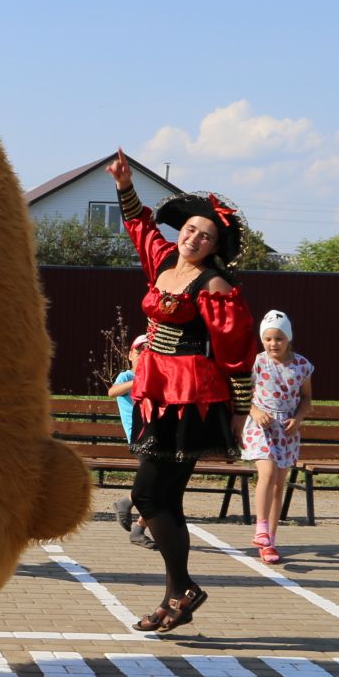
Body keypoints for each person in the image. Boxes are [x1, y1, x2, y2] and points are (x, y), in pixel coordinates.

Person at [106, 150, 256, 633]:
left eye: (205, 235)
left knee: (149, 496)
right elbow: (139, 229)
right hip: (156, 390)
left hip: (190, 399)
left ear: (215, 245)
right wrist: (125, 186)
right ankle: (178, 593)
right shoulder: (164, 260)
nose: (193, 238)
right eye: (190, 229)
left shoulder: (214, 285)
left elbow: (237, 352)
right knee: (163, 500)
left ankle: (182, 587)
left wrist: (240, 412)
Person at [241, 310, 315, 564]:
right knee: (267, 474)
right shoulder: (257, 361)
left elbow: (306, 398)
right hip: (261, 426)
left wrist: (299, 417)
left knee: (277, 485)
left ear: (289, 338)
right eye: (268, 338)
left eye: (279, 338)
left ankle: (270, 541)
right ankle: (261, 527)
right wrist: (255, 410)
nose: (274, 344)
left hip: (287, 430)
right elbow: (241, 393)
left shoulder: (302, 365)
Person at [107, 335, 157, 550]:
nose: (142, 356)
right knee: (156, 484)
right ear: (129, 354)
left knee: (159, 486)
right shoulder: (126, 375)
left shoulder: (157, 377)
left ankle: (134, 519)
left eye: (148, 353)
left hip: (158, 437)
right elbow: (112, 392)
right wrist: (138, 381)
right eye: (139, 352)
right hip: (139, 439)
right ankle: (128, 505)